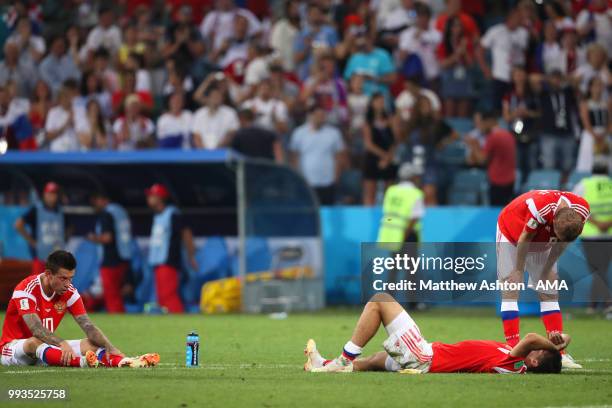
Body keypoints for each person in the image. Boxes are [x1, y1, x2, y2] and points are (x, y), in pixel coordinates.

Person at [305, 293, 565, 374]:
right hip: (426, 357)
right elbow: (535, 343)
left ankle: (342, 360)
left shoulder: (516, 362)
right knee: (374, 361)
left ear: (533, 361)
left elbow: (531, 337)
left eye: (540, 352)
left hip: (425, 356)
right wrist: (562, 343)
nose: (537, 346)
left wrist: (553, 348)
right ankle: (324, 364)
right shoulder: (513, 358)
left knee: (380, 301)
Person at [0, 250, 159, 368]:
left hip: (48, 350)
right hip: (13, 350)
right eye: (63, 278)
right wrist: (62, 343)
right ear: (48, 274)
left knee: (92, 344)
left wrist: (111, 348)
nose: (67, 284)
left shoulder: (69, 292)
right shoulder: (25, 289)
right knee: (34, 342)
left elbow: (88, 326)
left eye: (70, 278)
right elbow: (36, 329)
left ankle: (127, 362)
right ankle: (83, 362)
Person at [496, 190, 590, 369]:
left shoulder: (582, 210)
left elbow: (562, 242)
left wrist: (547, 268)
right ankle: (514, 351)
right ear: (553, 221)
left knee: (549, 291)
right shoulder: (540, 208)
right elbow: (525, 237)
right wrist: (518, 269)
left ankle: (560, 353)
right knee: (510, 290)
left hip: (543, 241)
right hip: (512, 233)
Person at [146, 184, 197, 313]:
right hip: (159, 261)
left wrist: (191, 256)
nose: (148, 199)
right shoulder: (158, 216)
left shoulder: (172, 214)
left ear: (160, 198)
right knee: (162, 297)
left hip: (169, 260)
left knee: (169, 295)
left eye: (151, 196)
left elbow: (186, 233)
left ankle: (179, 321)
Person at [573, 163, 612, 315]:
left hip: (590, 235)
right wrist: (607, 223)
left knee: (597, 270)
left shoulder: (584, 185)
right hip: (609, 234)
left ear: (592, 171)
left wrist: (596, 223)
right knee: (600, 270)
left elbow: (574, 206)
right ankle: (594, 305)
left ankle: (605, 303)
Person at [289, 105, 347, 205]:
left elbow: (340, 157)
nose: (321, 118)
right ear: (310, 116)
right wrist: (297, 179)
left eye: (323, 115)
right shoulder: (299, 133)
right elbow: (294, 157)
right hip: (306, 182)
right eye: (318, 115)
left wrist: (336, 178)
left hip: (328, 181)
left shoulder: (334, 133)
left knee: (327, 212)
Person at [87, 192, 133, 314]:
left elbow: (107, 238)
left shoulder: (106, 214)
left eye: (95, 201)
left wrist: (93, 238)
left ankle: (119, 321)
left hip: (110, 259)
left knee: (112, 296)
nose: (94, 205)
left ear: (103, 200)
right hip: (124, 257)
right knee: (117, 294)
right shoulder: (120, 211)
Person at [478, 7, 529, 109]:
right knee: (498, 106)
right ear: (509, 18)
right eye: (517, 17)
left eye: (520, 18)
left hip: (517, 77)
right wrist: (485, 69)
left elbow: (525, 52)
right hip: (500, 75)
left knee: (517, 105)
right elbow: (480, 50)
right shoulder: (495, 31)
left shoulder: (523, 33)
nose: (519, 20)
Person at [467, 110, 517, 206]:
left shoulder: (493, 137)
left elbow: (482, 160)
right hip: (510, 180)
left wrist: (474, 145)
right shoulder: (508, 134)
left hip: (498, 181)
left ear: (489, 121)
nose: (480, 126)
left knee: (497, 213)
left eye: (482, 123)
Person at [14, 182, 66, 275]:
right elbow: (18, 224)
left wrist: (63, 240)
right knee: (39, 284)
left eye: (54, 194)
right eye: (49, 193)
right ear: (44, 194)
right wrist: (32, 242)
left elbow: (69, 227)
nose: (51, 196)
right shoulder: (37, 209)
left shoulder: (60, 210)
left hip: (56, 258)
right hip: (40, 257)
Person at [537, 70, 579, 173]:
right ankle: (550, 187)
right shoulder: (544, 93)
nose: (556, 81)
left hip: (567, 134)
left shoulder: (567, 92)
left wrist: (565, 78)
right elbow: (533, 79)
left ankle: (566, 188)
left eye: (558, 78)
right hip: (549, 134)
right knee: (549, 164)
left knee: (568, 165)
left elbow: (576, 82)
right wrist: (547, 78)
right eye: (553, 78)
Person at [377, 162, 425, 250]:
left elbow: (387, 214)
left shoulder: (391, 191)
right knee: (411, 263)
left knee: (394, 262)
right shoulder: (415, 193)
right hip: (408, 233)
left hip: (391, 233)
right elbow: (415, 217)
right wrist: (404, 236)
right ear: (413, 177)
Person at [362, 93, 399, 205]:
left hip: (389, 156)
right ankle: (368, 219)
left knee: (389, 194)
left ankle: (389, 220)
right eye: (377, 101)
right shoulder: (368, 122)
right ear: (372, 103)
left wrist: (388, 157)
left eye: (382, 102)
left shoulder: (391, 120)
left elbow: (396, 140)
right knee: (370, 193)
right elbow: (368, 144)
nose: (380, 104)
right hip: (373, 158)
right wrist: (384, 156)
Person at [576, 76, 611, 173]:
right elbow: (586, 123)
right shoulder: (585, 104)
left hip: (604, 135)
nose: (598, 88)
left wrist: (604, 134)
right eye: (596, 85)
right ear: (590, 88)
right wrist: (595, 135)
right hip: (590, 136)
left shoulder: (606, 104)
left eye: (601, 85)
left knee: (605, 160)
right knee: (588, 162)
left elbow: (609, 122)